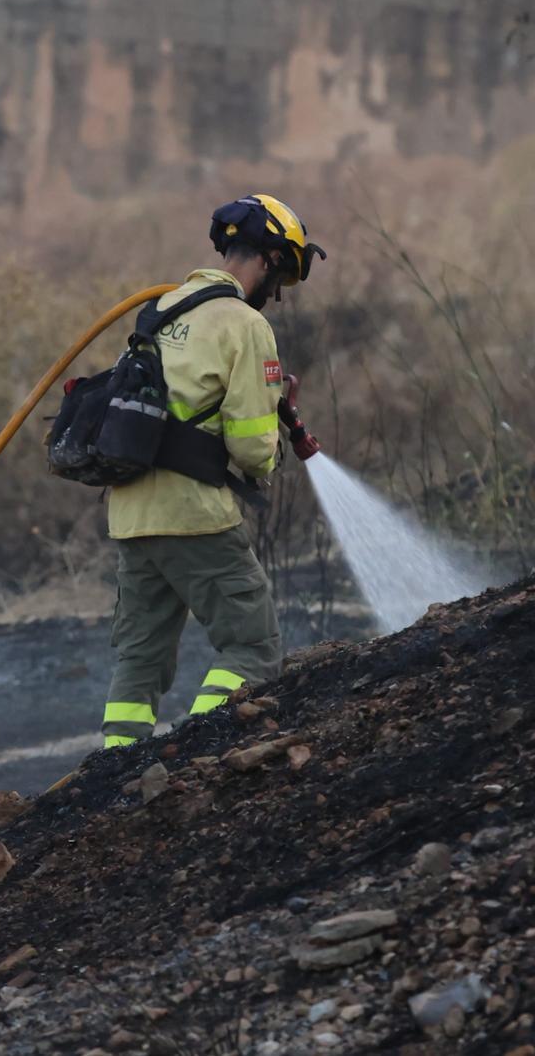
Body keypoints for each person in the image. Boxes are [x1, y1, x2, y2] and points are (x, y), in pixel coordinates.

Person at [100, 195, 325, 748]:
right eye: (282, 277)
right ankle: (202, 747)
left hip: (131, 513)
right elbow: (250, 449)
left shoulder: (164, 309)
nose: (276, 295)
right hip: (194, 513)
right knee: (252, 646)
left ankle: (109, 779)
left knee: (141, 658)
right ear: (268, 260)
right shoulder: (243, 325)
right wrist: (271, 436)